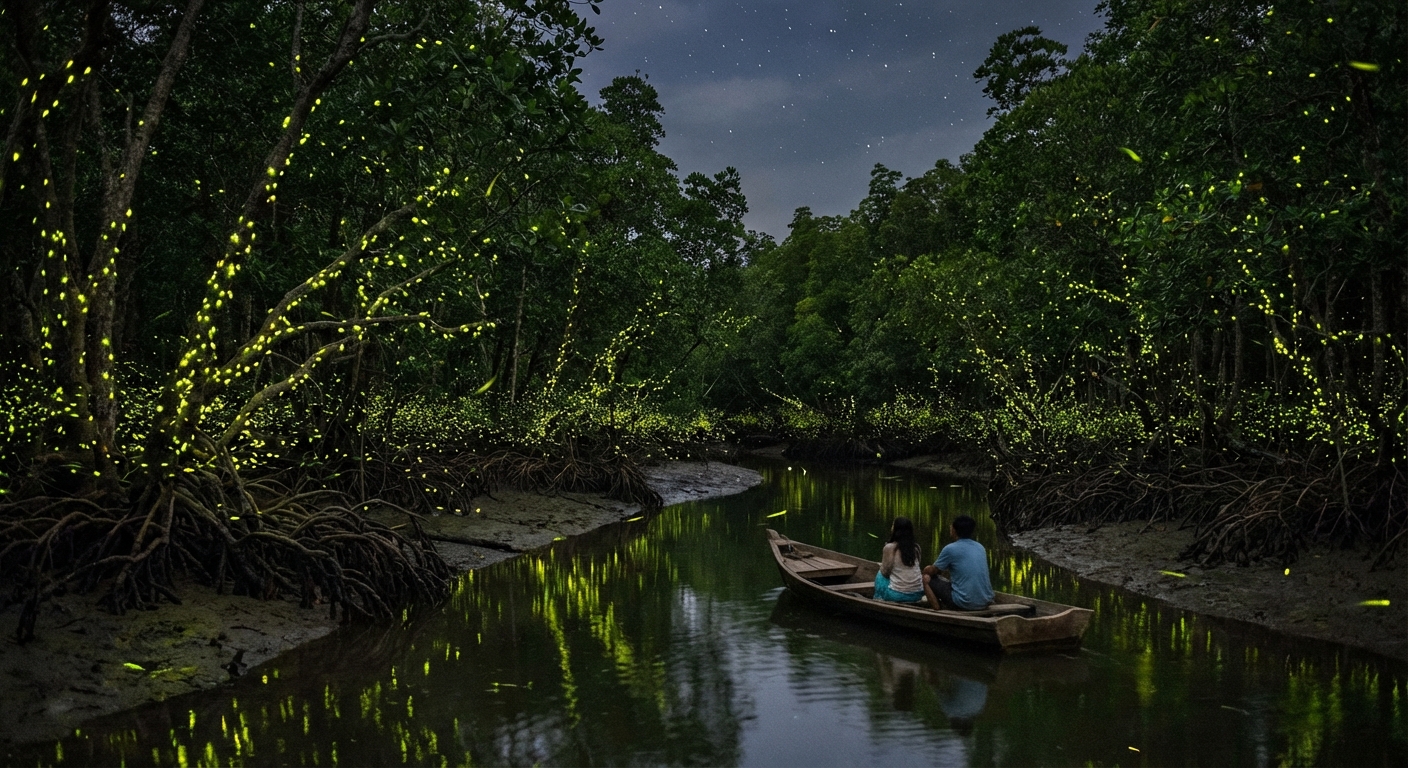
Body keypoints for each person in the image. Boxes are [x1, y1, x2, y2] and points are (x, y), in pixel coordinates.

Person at [923, 515, 994, 611]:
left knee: (928, 578)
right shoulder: (980, 547)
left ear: (954, 530)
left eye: (951, 526)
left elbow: (932, 570)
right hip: (985, 602)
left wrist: (926, 569)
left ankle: (937, 608)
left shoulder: (950, 549)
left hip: (963, 603)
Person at [873, 516, 926, 603]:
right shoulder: (916, 548)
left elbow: (885, 572)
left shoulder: (890, 548)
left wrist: (882, 567)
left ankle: (878, 599)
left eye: (893, 525)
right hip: (918, 594)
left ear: (896, 530)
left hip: (896, 595)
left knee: (880, 574)